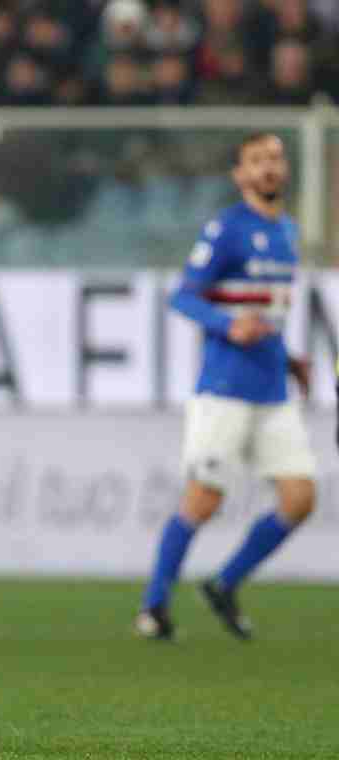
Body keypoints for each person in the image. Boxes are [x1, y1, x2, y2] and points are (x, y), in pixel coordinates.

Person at [135, 132, 315, 642]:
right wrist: (227, 325)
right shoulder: (228, 229)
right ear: (240, 175)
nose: (269, 169)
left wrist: (291, 359)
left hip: (272, 389)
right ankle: (153, 608)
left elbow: (268, 314)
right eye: (257, 161)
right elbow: (184, 297)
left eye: (276, 159)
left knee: (300, 498)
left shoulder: (288, 232)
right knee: (203, 499)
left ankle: (225, 583)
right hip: (225, 387)